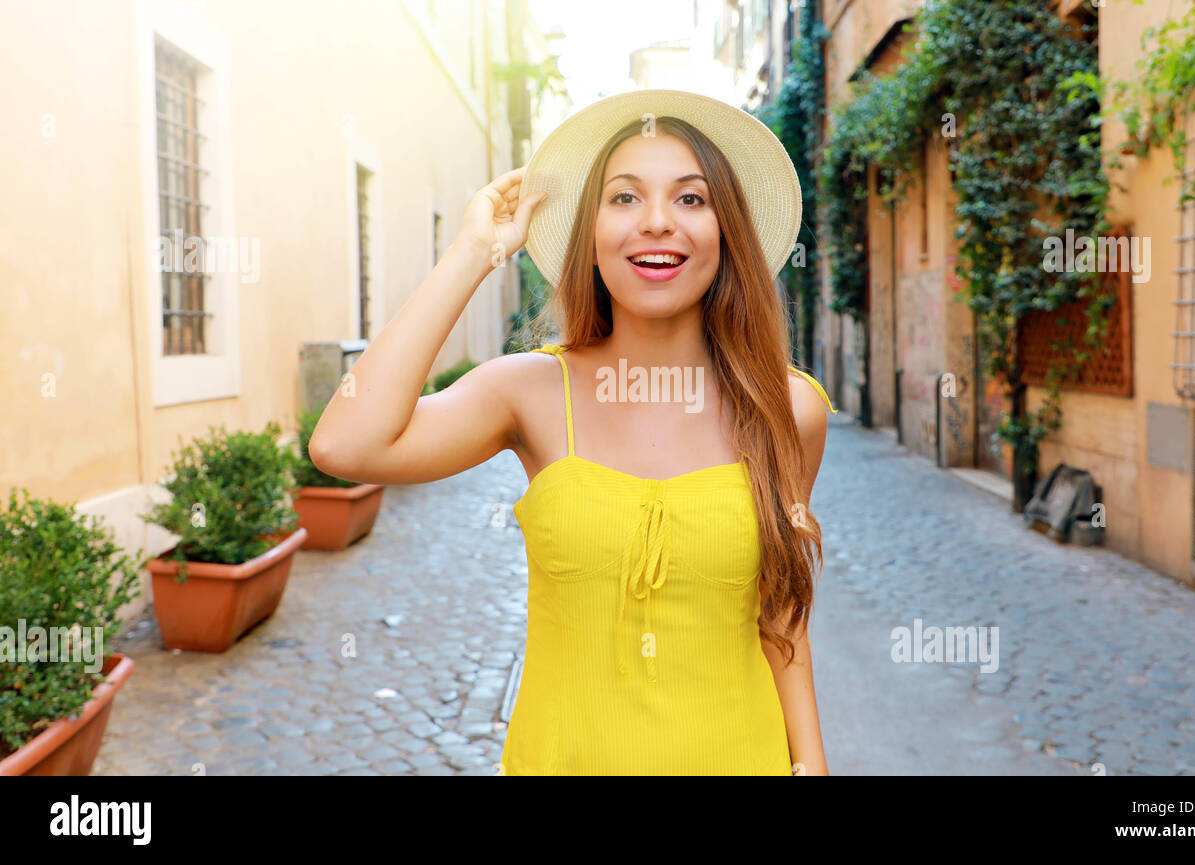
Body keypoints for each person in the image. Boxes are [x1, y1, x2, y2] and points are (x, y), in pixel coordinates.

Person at [310, 89, 836, 775]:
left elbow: (781, 606)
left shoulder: (789, 408)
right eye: (624, 198)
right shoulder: (528, 392)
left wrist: (812, 761)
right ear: (589, 234)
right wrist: (475, 252)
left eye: (690, 199)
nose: (656, 223)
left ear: (727, 230)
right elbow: (345, 444)